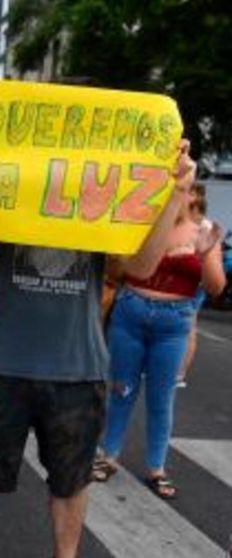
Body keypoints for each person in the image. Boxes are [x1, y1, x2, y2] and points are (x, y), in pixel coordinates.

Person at [0, 127, 198, 558]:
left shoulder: (100, 203)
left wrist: (174, 192)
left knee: (70, 480)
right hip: (2, 363)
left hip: (77, 369)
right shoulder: (14, 191)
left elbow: (142, 265)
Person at [91, 180, 225, 498]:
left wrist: (205, 253)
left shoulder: (203, 230)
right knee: (122, 388)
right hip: (131, 313)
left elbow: (217, 287)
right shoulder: (144, 223)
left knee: (161, 398)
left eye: (180, 190)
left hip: (173, 323)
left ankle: (156, 467)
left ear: (192, 196)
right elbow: (119, 270)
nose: (171, 195)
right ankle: (108, 455)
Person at [175, 181, 212, 387]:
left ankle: (179, 374)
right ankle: (174, 372)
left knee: (188, 327)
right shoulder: (188, 221)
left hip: (193, 282)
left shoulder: (203, 225)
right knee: (180, 326)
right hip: (185, 280)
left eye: (190, 191)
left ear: (197, 195)